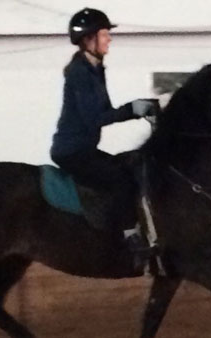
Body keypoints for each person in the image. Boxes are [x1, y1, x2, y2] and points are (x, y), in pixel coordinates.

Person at [51, 7, 158, 246]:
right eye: (104, 34)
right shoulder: (79, 72)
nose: (109, 38)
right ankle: (129, 238)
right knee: (121, 180)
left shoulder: (95, 69)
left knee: (129, 168)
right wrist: (134, 109)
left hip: (84, 149)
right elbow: (95, 118)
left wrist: (138, 108)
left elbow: (107, 111)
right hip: (73, 151)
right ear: (89, 39)